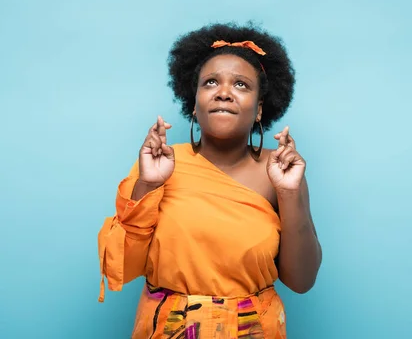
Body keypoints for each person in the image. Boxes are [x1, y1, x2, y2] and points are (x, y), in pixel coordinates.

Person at [97, 22, 322, 338]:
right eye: (211, 82)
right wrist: (148, 184)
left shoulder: (281, 171)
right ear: (193, 102)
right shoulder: (158, 162)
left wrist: (289, 193)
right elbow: (121, 266)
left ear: (259, 109)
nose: (225, 93)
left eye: (241, 85)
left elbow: (302, 280)